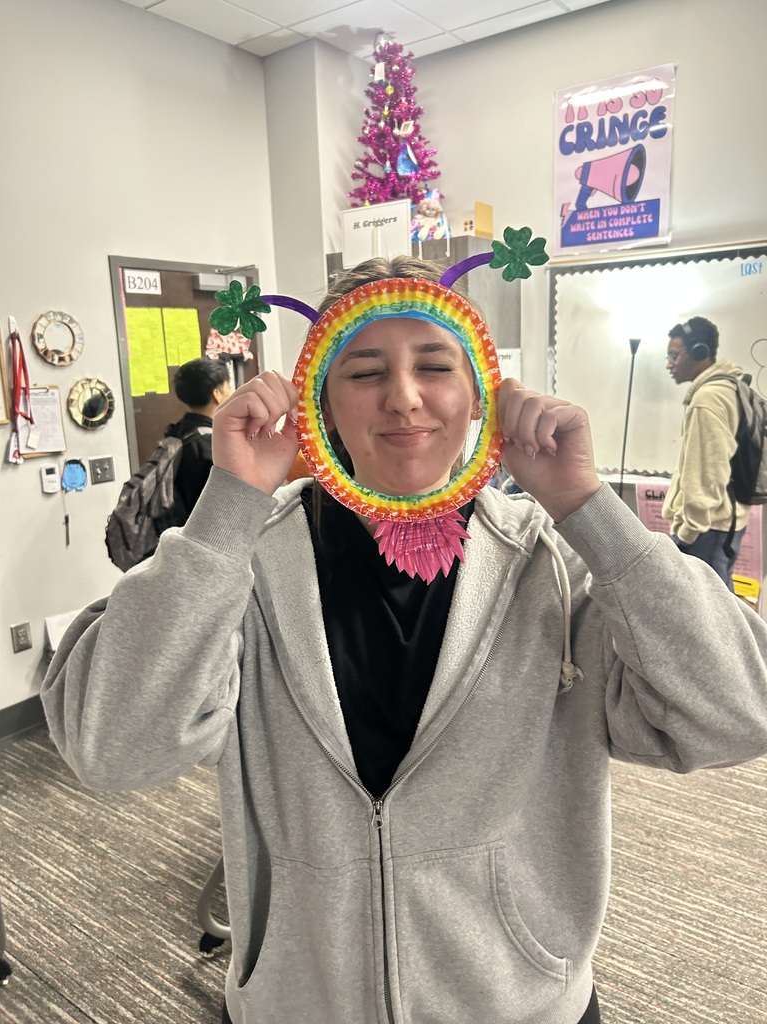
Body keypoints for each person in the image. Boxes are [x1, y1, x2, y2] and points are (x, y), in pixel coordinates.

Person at [41, 257, 767, 1024]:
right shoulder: (243, 565)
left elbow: (737, 713)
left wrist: (590, 510)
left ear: (480, 387)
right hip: (298, 1003)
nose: (404, 398)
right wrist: (227, 512)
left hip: (520, 1004)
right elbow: (113, 747)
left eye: (434, 364)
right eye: (363, 371)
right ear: (320, 393)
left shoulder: (553, 565)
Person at [661, 316, 750, 590]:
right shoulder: (730, 389)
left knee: (712, 616)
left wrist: (687, 534)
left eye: (674, 355)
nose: (669, 364)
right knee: (722, 608)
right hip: (724, 524)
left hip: (706, 530)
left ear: (700, 352)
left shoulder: (707, 399)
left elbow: (709, 473)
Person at [166, 356, 232, 516]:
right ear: (217, 394)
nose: (232, 391)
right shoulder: (211, 443)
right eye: (228, 386)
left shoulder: (178, 432)